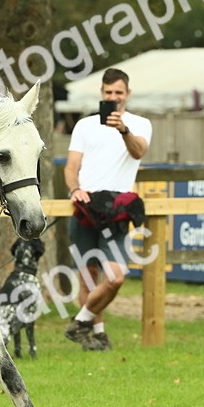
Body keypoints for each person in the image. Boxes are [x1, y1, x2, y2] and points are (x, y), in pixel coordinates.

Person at [63, 68, 152, 350]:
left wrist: (123, 129)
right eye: (108, 93)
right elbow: (71, 167)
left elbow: (139, 152)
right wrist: (75, 188)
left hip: (116, 209)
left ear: (128, 94)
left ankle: (80, 321)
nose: (113, 98)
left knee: (115, 277)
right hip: (85, 206)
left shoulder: (140, 124)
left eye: (118, 93)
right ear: (101, 93)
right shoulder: (84, 125)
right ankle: (96, 334)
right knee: (88, 279)